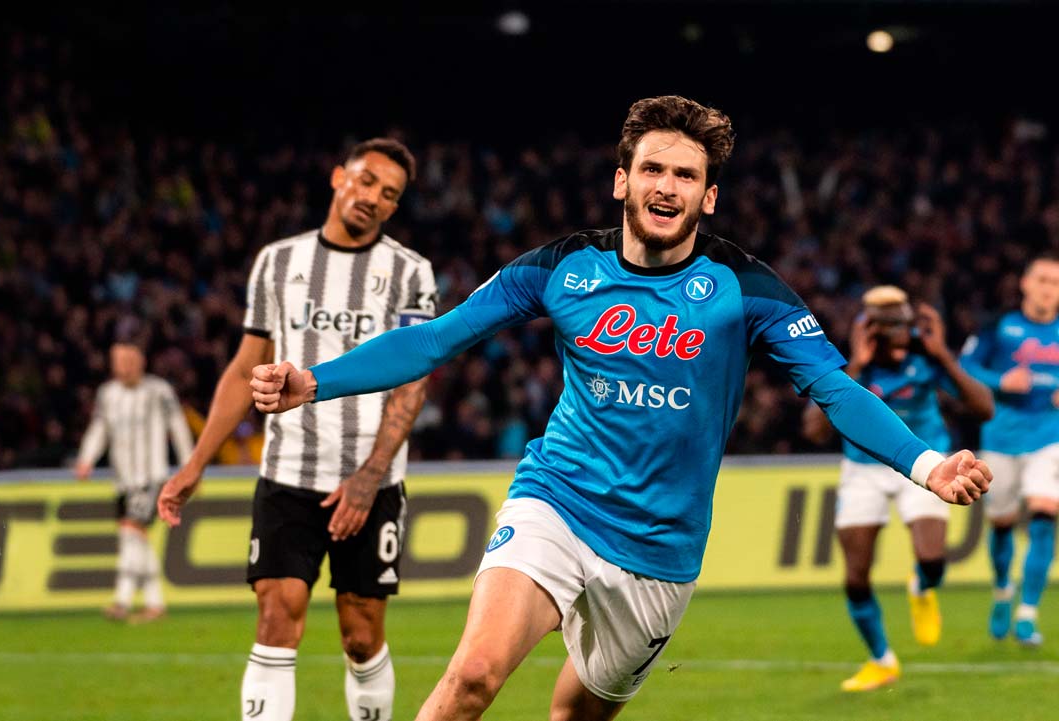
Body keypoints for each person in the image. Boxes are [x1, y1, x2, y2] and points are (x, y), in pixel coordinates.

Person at [246, 96, 993, 721]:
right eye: (653, 169)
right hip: (558, 500)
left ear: (709, 197)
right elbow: (438, 338)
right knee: (472, 675)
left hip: (661, 550)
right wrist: (315, 380)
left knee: (574, 713)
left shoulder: (747, 288)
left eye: (686, 175)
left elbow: (835, 386)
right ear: (622, 181)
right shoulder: (561, 266)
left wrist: (926, 464)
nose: (667, 187)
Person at [157, 138, 435, 721]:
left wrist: (369, 477)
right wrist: (195, 464)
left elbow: (413, 383)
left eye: (389, 194)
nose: (374, 198)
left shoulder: (411, 272)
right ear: (338, 178)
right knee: (276, 616)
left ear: (395, 207)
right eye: (366, 181)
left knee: (361, 633)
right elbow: (244, 368)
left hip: (372, 482)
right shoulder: (277, 262)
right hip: (287, 473)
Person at [802, 286, 993, 691]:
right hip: (862, 469)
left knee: (932, 560)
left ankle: (921, 587)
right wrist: (856, 364)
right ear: (869, 327)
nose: (899, 330)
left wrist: (944, 356)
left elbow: (984, 408)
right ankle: (881, 660)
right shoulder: (848, 369)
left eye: (902, 320)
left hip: (924, 463)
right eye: (888, 323)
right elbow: (814, 431)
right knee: (855, 577)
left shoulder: (926, 360)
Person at [960, 255, 1059, 646]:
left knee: (1045, 513)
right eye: (1042, 279)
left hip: (1049, 436)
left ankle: (1028, 614)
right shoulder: (999, 326)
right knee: (1001, 522)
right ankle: (1003, 587)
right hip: (1001, 437)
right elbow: (964, 366)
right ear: (1025, 284)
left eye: (1056, 282)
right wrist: (1000, 380)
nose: (1049, 288)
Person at [75, 339, 194, 622]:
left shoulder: (158, 391)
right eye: (118, 361)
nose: (123, 367)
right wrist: (86, 458)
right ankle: (154, 603)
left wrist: (189, 466)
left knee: (131, 531)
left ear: (141, 361)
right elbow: (100, 428)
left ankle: (122, 600)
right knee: (134, 538)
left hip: (151, 477)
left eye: (128, 361)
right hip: (123, 480)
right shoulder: (108, 394)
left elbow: (178, 426)